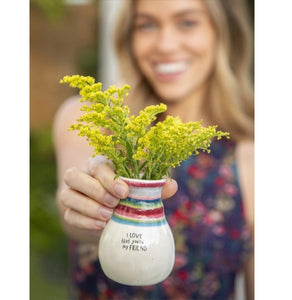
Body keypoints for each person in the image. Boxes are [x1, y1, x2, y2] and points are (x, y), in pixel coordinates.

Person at [53, 0, 254, 299]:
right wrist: (90, 207)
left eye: (187, 22)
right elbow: (71, 207)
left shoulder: (254, 153)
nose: (165, 44)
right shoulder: (91, 118)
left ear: (223, 31)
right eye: (147, 24)